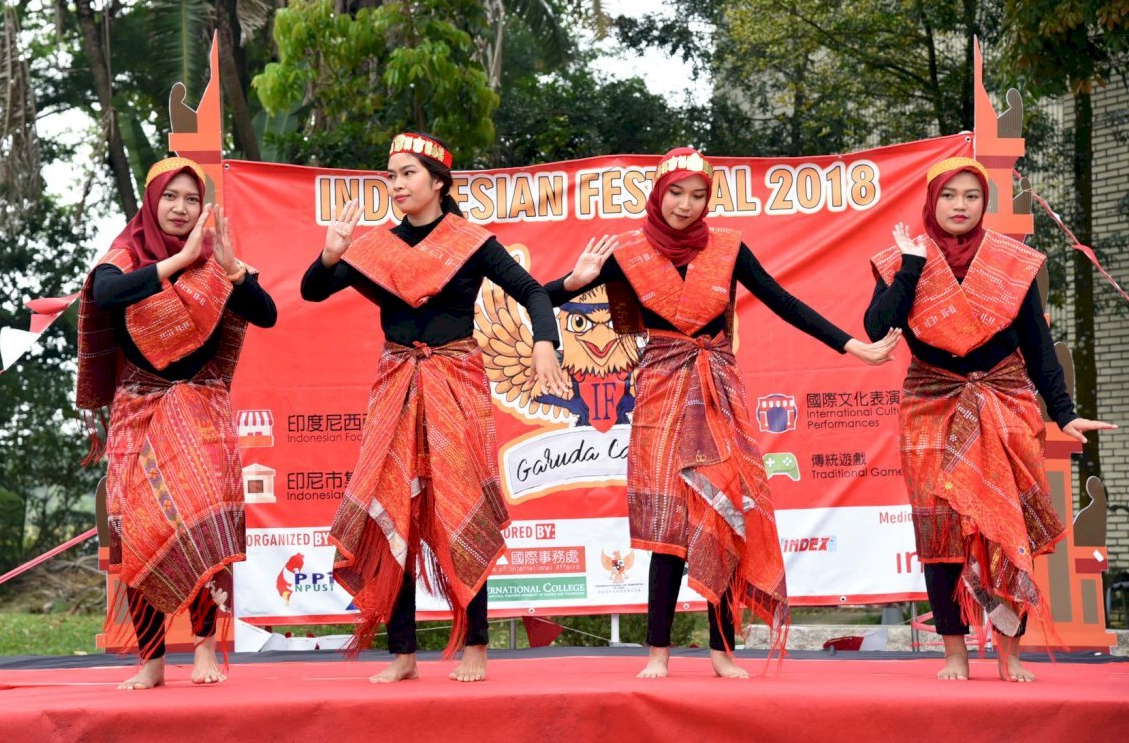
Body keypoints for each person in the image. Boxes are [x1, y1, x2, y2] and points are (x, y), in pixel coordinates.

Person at [548, 147, 900, 679]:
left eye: (697, 195)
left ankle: (721, 651)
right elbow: (538, 294)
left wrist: (853, 345)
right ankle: (658, 654)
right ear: (658, 193)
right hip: (661, 393)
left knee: (727, 515)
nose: (686, 205)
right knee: (668, 526)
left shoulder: (729, 248)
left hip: (719, 392)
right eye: (676, 193)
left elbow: (785, 303)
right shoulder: (623, 253)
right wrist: (575, 283)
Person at [301, 132, 567, 684]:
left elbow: (535, 292)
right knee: (394, 506)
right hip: (396, 385)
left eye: (407, 175)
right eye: (391, 176)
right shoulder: (375, 248)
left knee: (459, 505)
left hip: (455, 383)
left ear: (439, 183)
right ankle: (402, 653)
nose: (396, 185)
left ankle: (476, 641)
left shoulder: (471, 242)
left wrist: (545, 341)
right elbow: (312, 292)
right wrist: (331, 254)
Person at [866, 156, 1114, 682]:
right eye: (949, 195)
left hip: (1004, 404)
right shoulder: (901, 258)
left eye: (971, 196)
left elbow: (1038, 346)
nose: (960, 205)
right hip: (930, 406)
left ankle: (1010, 653)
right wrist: (912, 266)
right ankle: (954, 652)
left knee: (1009, 533)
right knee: (941, 534)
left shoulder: (1010, 261)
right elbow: (876, 327)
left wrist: (1064, 414)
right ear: (932, 201)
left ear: (985, 202)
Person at [77, 156, 277, 690]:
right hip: (138, 410)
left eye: (192, 199)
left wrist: (232, 269)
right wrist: (176, 262)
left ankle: (208, 649)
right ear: (151, 200)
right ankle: (152, 661)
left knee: (205, 524)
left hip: (201, 410)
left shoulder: (218, 262)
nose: (181, 208)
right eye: (172, 197)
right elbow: (104, 294)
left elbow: (267, 313)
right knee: (138, 531)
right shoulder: (124, 257)